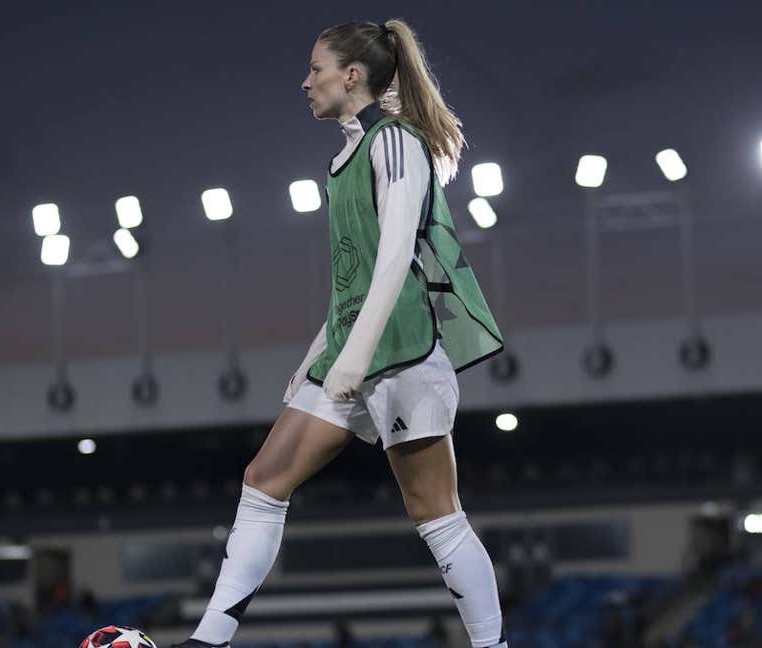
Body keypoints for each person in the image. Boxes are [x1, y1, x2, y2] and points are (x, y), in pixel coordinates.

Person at [170, 18, 506, 648]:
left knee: (436, 516)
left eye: (316, 68)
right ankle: (208, 640)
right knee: (263, 479)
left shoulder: (395, 143)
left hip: (403, 355)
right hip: (352, 354)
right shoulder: (344, 157)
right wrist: (317, 357)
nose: (306, 81)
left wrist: (350, 364)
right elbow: (352, 283)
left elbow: (395, 260)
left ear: (352, 75)